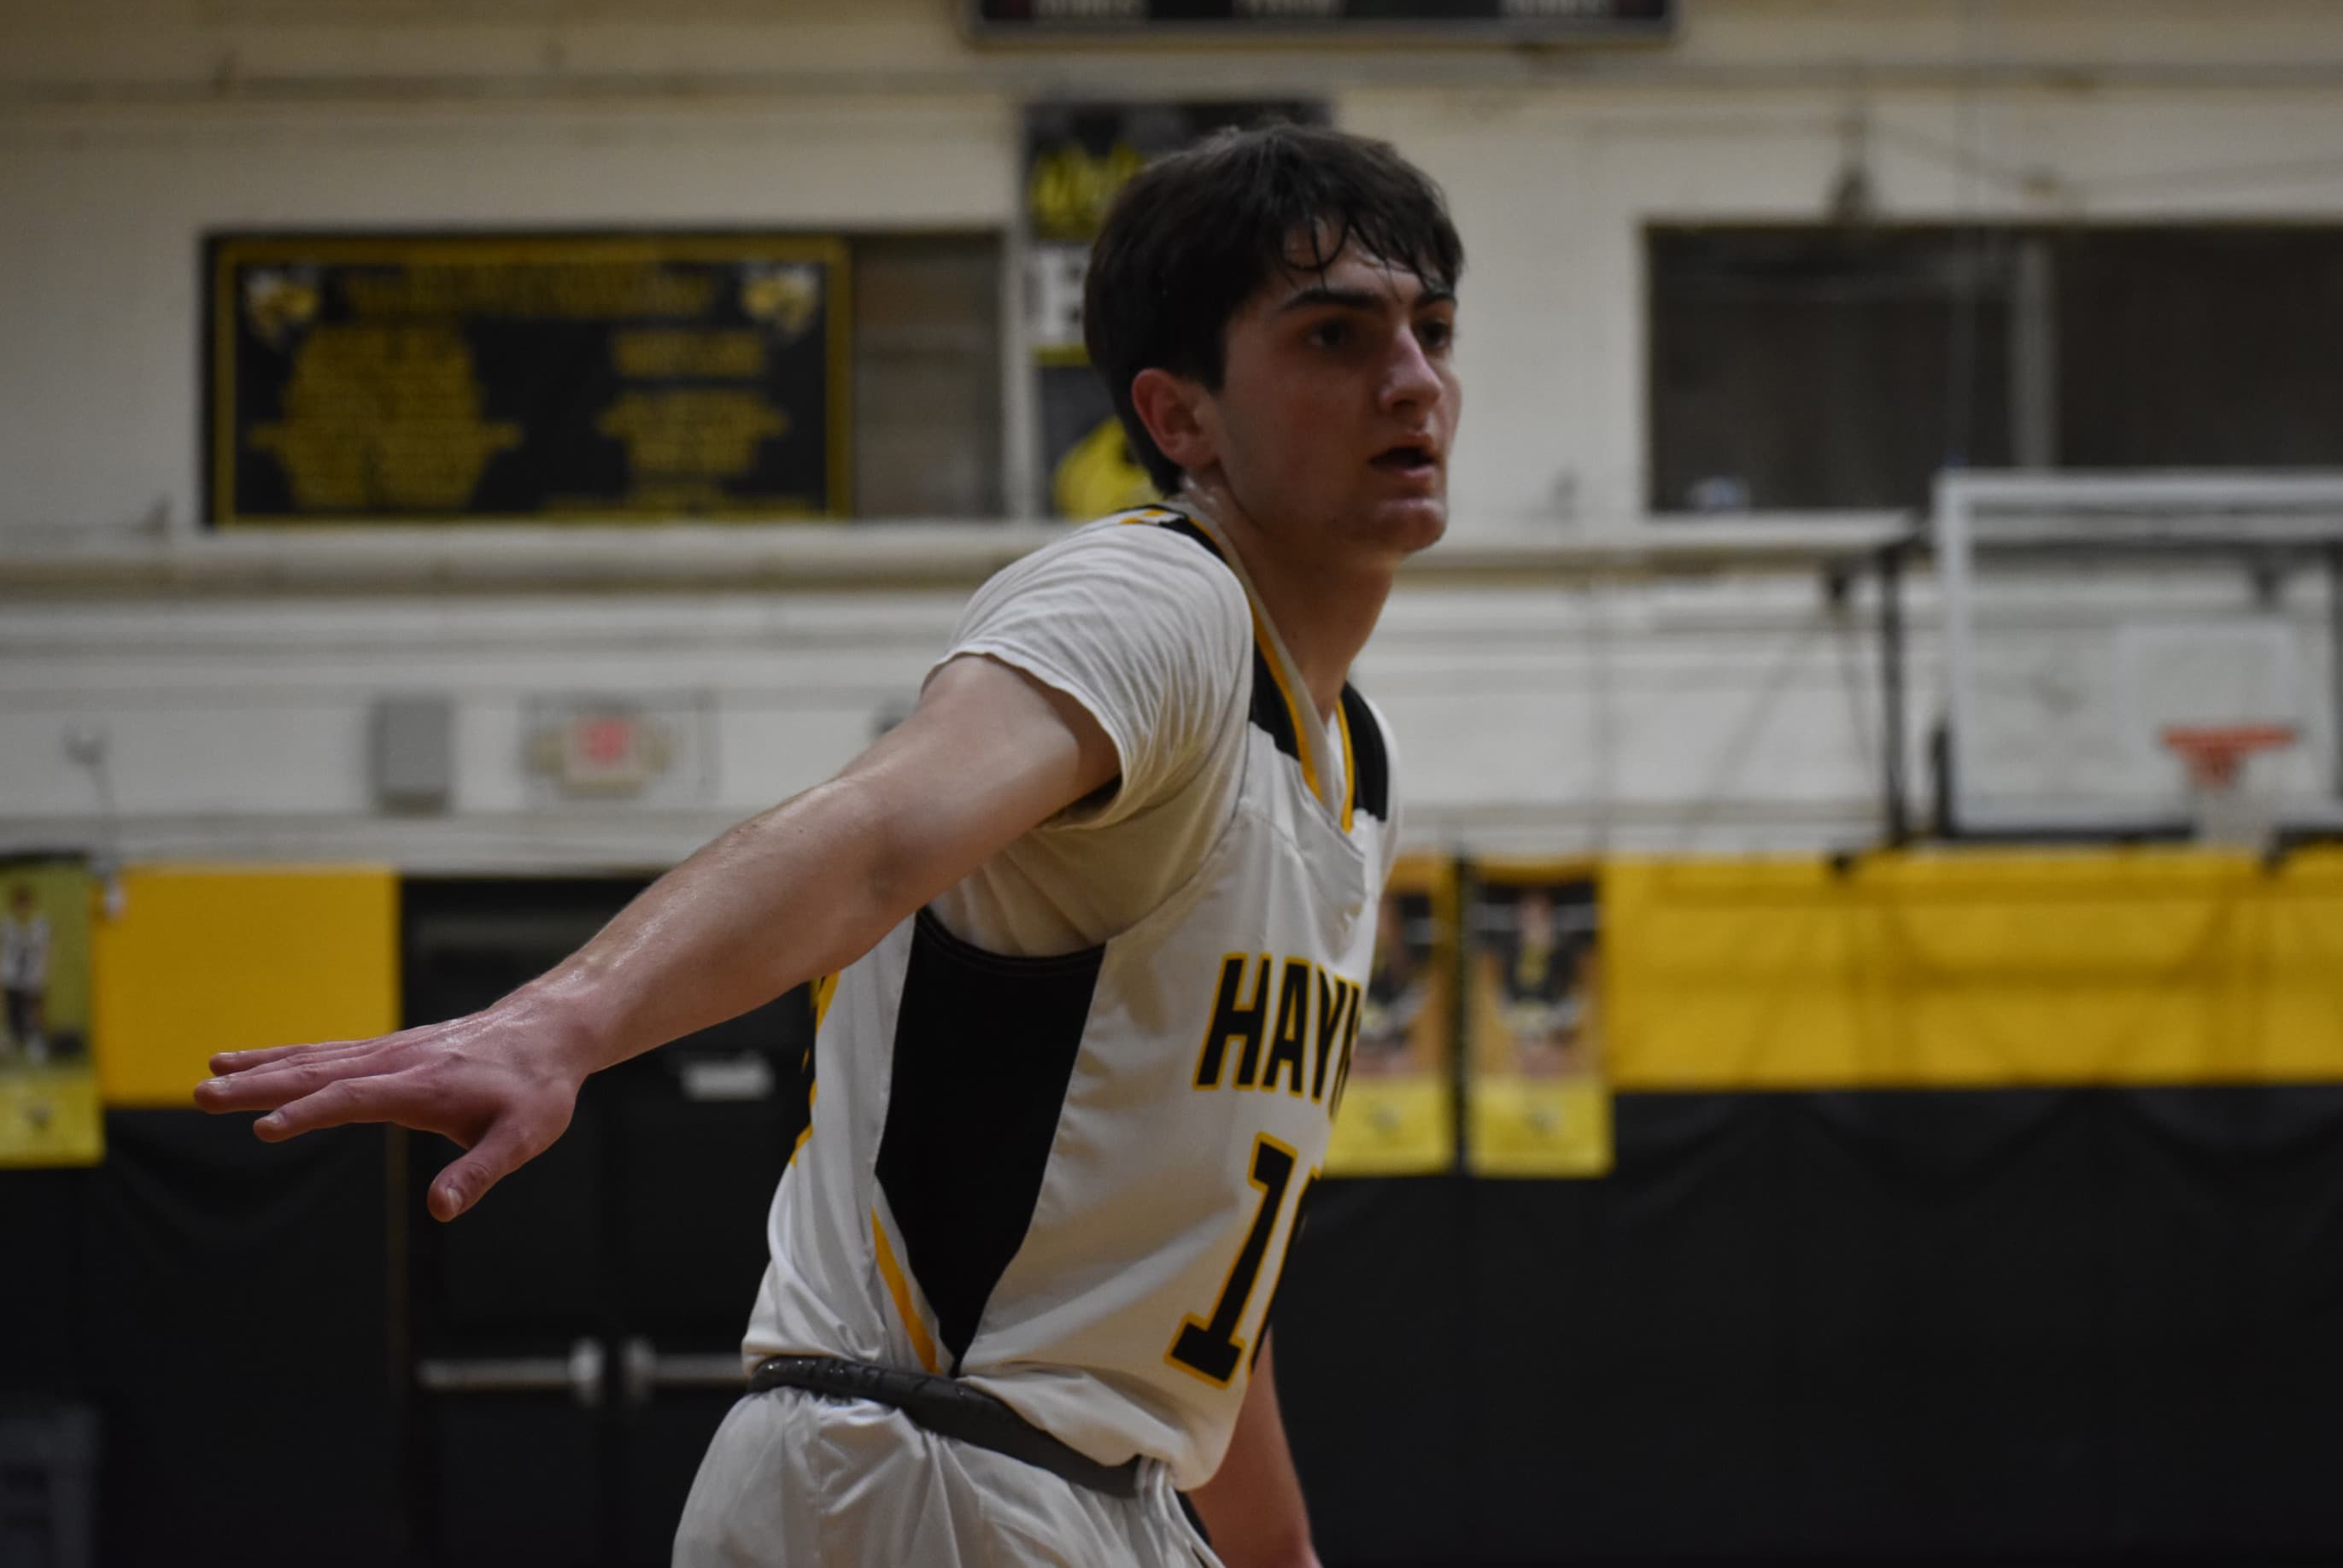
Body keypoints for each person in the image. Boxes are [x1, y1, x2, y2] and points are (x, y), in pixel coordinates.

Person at [196, 122, 1464, 1568]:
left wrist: (1276, 1555)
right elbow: (873, 837)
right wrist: (564, 1020)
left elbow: (1199, 1233)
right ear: (1182, 419)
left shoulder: (1353, 759)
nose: (1412, 379)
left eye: (1430, 330)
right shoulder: (1154, 603)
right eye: (1333, 334)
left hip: (1095, 1496)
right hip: (923, 1471)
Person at [3, 883, 49, 1064]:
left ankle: (36, 1041)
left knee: (34, 1009)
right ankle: (8, 1039)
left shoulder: (40, 925)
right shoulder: (7, 925)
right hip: (11, 975)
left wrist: (44, 972)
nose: (22, 910)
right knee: (9, 1009)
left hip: (32, 975)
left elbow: (46, 949)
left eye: (25, 905)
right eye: (18, 905)